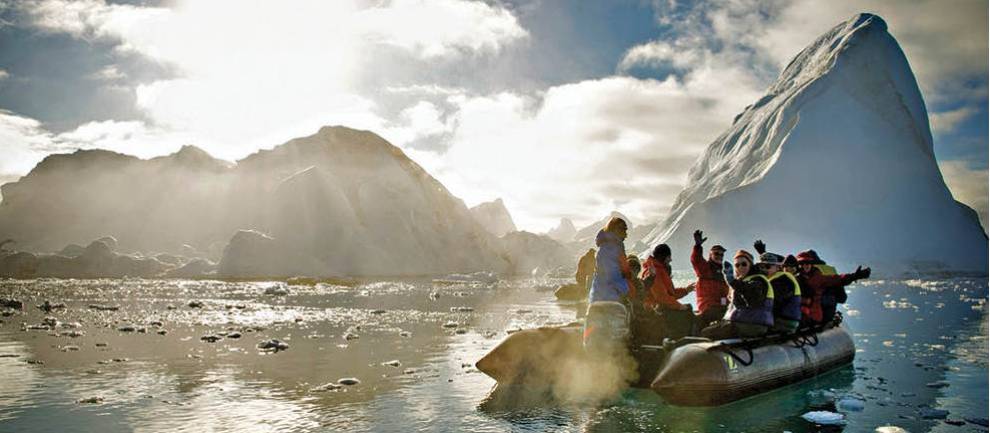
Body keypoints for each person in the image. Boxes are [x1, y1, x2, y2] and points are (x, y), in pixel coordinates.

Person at [584, 217, 634, 353]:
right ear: (616, 230)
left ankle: (590, 349)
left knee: (598, 329)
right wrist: (627, 290)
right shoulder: (612, 249)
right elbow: (612, 274)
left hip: (601, 295)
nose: (626, 234)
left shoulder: (608, 247)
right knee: (613, 333)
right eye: (624, 230)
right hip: (609, 297)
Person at [701, 250, 773, 340]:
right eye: (737, 265)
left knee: (707, 333)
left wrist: (733, 282)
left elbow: (752, 300)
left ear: (750, 265)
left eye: (744, 264)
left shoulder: (758, 280)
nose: (740, 267)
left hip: (754, 324)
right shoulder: (742, 281)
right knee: (708, 328)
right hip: (742, 322)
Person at [796, 249, 871, 327]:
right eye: (802, 264)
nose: (805, 266)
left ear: (812, 264)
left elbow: (838, 279)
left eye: (807, 263)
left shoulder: (818, 277)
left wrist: (854, 276)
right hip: (801, 311)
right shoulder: (796, 277)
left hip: (812, 314)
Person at [638, 244, 696, 341]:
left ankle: (685, 340)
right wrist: (679, 306)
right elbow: (661, 297)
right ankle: (683, 342)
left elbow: (670, 293)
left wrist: (686, 290)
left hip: (662, 307)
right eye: (669, 257)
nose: (671, 260)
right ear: (663, 257)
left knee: (688, 309)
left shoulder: (661, 270)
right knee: (686, 313)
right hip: (656, 310)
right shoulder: (654, 271)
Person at [754, 241, 801, 333]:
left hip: (784, 320)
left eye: (767, 266)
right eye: (761, 267)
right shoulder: (772, 279)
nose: (763, 269)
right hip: (780, 318)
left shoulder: (783, 280)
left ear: (778, 268)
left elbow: (775, 303)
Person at [690, 230, 730, 329]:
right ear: (711, 255)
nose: (719, 256)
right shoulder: (705, 268)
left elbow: (724, 294)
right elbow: (696, 260)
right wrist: (698, 246)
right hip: (707, 306)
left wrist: (725, 306)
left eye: (721, 255)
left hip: (718, 308)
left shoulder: (722, 274)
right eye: (716, 254)